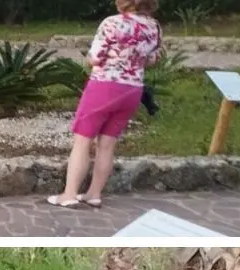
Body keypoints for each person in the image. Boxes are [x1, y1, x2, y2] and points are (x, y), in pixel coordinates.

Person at [48, 0, 162, 209]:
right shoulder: (154, 26)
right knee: (107, 144)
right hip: (132, 89)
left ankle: (70, 193)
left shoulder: (112, 23)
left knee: (83, 141)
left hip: (104, 87)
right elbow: (152, 59)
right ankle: (94, 194)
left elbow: (95, 58)